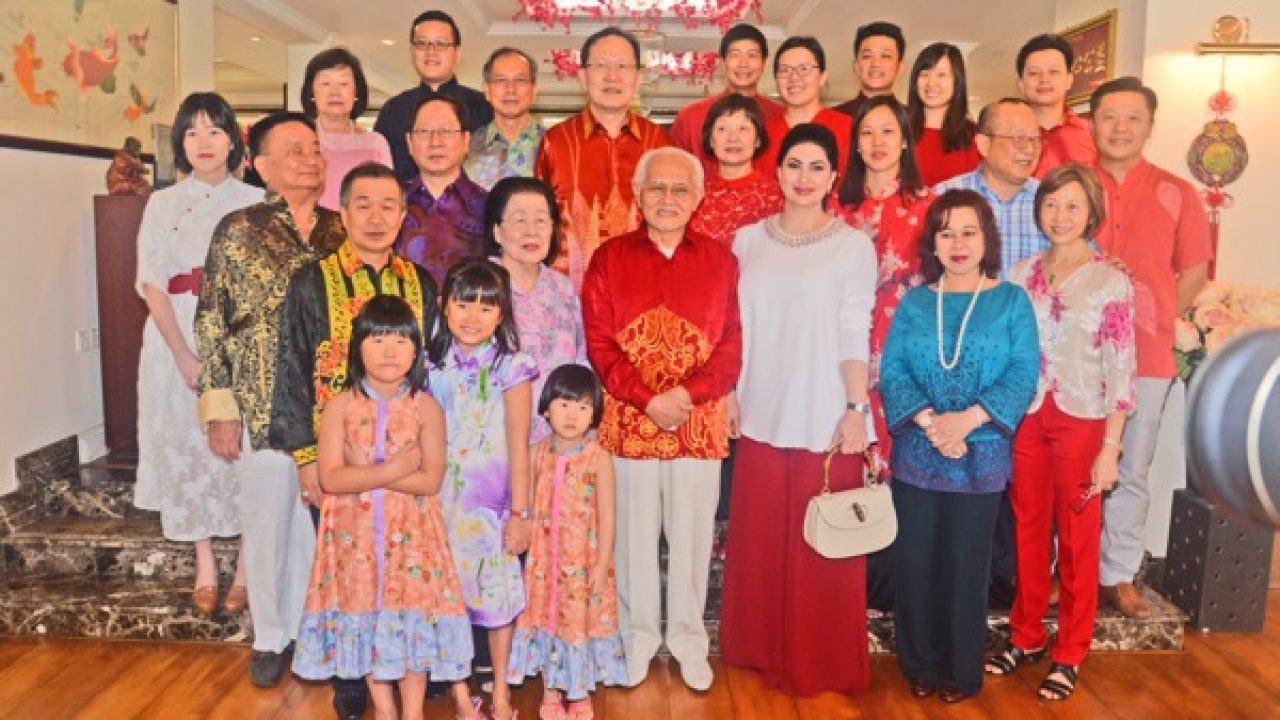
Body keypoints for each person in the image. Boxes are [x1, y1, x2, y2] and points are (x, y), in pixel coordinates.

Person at [270, 161, 437, 720]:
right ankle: (351, 677)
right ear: (342, 213)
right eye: (362, 204)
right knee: (349, 569)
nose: (375, 217)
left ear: (403, 214)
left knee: (406, 567)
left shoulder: (420, 283)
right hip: (338, 458)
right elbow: (292, 367)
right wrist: (306, 459)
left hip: (409, 457)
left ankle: (407, 665)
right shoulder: (311, 281)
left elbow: (431, 370)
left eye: (388, 205)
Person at [719, 123, 875, 697]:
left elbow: (854, 330)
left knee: (823, 547)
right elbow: (734, 327)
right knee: (761, 541)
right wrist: (729, 391)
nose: (804, 177)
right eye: (794, 165)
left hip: (825, 414)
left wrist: (855, 408)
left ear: (834, 178)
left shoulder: (852, 246)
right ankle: (758, 649)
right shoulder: (747, 241)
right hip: (760, 410)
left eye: (816, 167)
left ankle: (818, 662)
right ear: (778, 172)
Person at [581, 147, 740, 691]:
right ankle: (638, 640)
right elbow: (600, 343)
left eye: (679, 190)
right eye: (657, 188)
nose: (667, 199)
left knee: (693, 539)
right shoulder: (608, 258)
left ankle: (690, 642)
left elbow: (731, 346)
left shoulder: (721, 260)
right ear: (638, 194)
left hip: (699, 421)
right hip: (630, 420)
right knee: (632, 540)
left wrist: (687, 396)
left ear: (698, 198)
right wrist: (647, 399)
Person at [195, 111, 345, 687]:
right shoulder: (238, 229)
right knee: (266, 521)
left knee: (319, 524)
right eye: (295, 150)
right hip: (258, 400)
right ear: (261, 165)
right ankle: (270, 637)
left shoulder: (340, 229)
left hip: (328, 404)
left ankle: (314, 632)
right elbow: (212, 319)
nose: (310, 158)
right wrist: (220, 408)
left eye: (315, 148)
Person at [879, 188, 1039, 704]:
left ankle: (960, 671)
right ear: (933, 243)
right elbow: (893, 370)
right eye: (946, 233)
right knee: (916, 563)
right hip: (918, 451)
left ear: (987, 239)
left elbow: (1023, 372)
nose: (958, 243)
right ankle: (921, 665)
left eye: (969, 232)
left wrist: (967, 421)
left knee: (966, 565)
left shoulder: (1011, 300)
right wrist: (933, 425)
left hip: (982, 453)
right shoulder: (915, 301)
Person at [989, 163, 1136, 701]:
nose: (1061, 216)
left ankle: (1070, 651)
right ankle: (1025, 635)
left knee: (1077, 541)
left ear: (1092, 213)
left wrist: (1110, 447)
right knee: (1028, 532)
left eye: (1073, 206)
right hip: (1028, 417)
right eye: (1051, 204)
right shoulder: (1020, 274)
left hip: (1083, 419)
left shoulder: (1110, 279)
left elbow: (1122, 368)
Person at [292, 295, 477, 720]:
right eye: (377, 339)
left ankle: (412, 713)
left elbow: (429, 480)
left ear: (416, 349)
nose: (389, 350)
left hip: (412, 540)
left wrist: (366, 470)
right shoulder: (339, 406)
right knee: (368, 624)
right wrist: (392, 469)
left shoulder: (426, 408)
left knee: (410, 628)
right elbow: (331, 478)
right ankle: (385, 711)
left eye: (400, 340)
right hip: (353, 541)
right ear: (358, 347)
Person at [1089, 77, 1212, 618]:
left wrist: (1155, 316)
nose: (1120, 127)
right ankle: (1065, 571)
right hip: (1075, 357)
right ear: (1092, 123)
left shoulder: (1176, 191)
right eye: (1109, 116)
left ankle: (1118, 574)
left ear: (1150, 126)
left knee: (1131, 468)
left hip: (1147, 355)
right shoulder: (1070, 185)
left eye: (1132, 117)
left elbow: (1194, 272)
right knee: (1069, 466)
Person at [134, 92, 259, 617]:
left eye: (214, 130)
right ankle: (205, 564)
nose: (203, 142)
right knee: (187, 441)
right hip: (175, 333)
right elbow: (151, 282)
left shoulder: (258, 200)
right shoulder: (162, 203)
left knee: (246, 450)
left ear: (233, 139)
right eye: (191, 132)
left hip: (241, 334)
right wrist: (183, 354)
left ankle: (247, 569)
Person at [427, 259, 538, 720]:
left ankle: (502, 693)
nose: (473, 316)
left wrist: (521, 514)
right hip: (439, 506)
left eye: (486, 307)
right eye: (463, 304)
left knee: (498, 601)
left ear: (501, 314)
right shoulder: (430, 368)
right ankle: (460, 697)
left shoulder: (512, 367)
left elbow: (519, 444)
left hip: (493, 509)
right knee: (447, 600)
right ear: (444, 306)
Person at [507, 365, 626, 720]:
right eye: (564, 404)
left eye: (583, 406)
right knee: (546, 618)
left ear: (594, 413)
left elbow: (608, 515)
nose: (573, 415)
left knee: (577, 621)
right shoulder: (536, 453)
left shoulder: (598, 458)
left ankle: (579, 692)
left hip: (582, 561)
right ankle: (551, 688)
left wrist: (602, 564)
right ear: (546, 409)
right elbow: (525, 504)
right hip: (544, 561)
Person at [835, 95, 933, 475]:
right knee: (845, 470)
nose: (878, 142)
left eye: (888, 131)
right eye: (867, 132)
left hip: (905, 351)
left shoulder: (930, 206)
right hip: (843, 349)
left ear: (905, 140)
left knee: (902, 469)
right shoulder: (834, 207)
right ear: (856, 144)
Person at [535, 26, 670, 288]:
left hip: (646, 289)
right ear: (583, 77)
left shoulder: (660, 143)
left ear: (638, 77)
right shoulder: (556, 141)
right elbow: (539, 219)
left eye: (622, 66)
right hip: (570, 294)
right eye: (601, 65)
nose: (612, 76)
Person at [482, 176, 585, 445]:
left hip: (557, 439)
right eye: (519, 220)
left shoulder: (562, 289)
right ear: (496, 231)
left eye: (541, 220)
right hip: (493, 440)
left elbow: (582, 360)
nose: (531, 231)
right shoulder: (478, 286)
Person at [375, 10, 494, 180]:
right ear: (412, 52)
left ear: (457, 54)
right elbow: (381, 173)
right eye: (422, 43)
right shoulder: (393, 110)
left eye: (441, 44)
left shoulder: (484, 106)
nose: (431, 51)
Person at [936, 97, 1048, 274]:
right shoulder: (943, 198)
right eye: (1018, 138)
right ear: (984, 145)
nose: (1029, 149)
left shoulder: (1051, 201)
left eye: (1035, 139)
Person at [396, 95, 488, 286]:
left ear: (466, 140)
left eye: (445, 131)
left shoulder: (489, 206)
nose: (435, 141)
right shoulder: (391, 203)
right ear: (409, 142)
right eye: (424, 131)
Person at [668, 23, 785, 172]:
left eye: (752, 55)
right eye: (735, 55)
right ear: (722, 63)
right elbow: (673, 172)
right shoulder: (690, 117)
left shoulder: (780, 116)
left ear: (764, 63)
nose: (743, 64)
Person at [301, 48, 393, 211]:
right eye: (325, 84)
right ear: (311, 92)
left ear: (356, 91)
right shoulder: (299, 140)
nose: (334, 93)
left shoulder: (374, 144)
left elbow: (387, 198)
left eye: (343, 84)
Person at [688, 93, 783, 247]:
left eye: (743, 128)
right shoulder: (694, 195)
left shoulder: (777, 196)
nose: (733, 138)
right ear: (711, 140)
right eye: (722, 129)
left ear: (758, 140)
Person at [755, 36, 852, 175]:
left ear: (823, 77)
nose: (794, 77)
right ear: (776, 80)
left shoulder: (848, 129)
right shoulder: (761, 133)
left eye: (804, 68)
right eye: (785, 70)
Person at [1016, 34, 1096, 178]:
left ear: (1069, 80)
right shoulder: (1002, 135)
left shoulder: (1092, 134)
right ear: (1020, 84)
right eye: (1034, 73)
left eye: (1054, 72)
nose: (1044, 79)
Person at [465, 48, 545, 190]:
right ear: (487, 90)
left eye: (520, 80)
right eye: (501, 80)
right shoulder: (465, 147)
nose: (510, 89)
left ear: (534, 90)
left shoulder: (553, 145)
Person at [908, 42, 981, 187]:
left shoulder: (974, 137)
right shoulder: (899, 130)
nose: (931, 83)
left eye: (941, 75)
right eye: (925, 74)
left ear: (957, 82)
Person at [834, 21, 905, 118]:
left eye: (885, 56)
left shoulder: (914, 121)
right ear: (856, 66)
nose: (876, 64)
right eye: (867, 56)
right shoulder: (832, 118)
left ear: (900, 67)